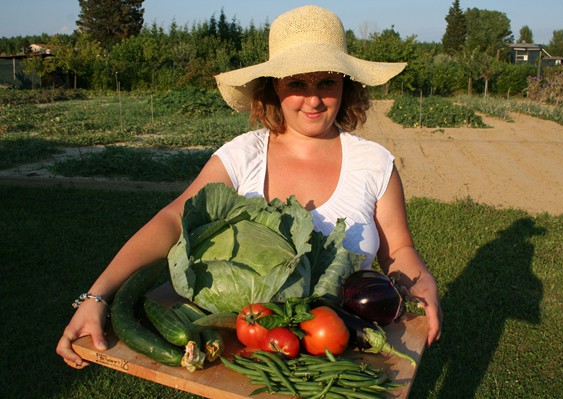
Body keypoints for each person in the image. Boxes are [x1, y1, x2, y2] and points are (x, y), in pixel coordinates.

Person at [56, 5, 442, 368]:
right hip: (250, 354)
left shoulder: (374, 163)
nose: (313, 99)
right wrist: (97, 294)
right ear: (274, 86)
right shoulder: (243, 156)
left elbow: (400, 250)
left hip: (342, 349)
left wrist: (421, 282)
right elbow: (174, 217)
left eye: (327, 81)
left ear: (346, 85)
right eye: (297, 83)